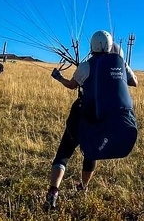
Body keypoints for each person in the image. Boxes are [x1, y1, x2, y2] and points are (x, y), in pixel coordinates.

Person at [44, 31, 138, 211]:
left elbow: (72, 85)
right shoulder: (120, 63)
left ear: (92, 46)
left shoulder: (86, 65)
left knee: (64, 151)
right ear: (110, 46)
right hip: (102, 119)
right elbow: (134, 82)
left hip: (82, 115)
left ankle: (53, 192)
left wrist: (58, 77)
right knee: (91, 152)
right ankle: (83, 187)